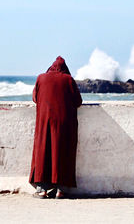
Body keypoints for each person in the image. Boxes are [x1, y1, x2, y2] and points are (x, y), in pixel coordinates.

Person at [29, 56, 82, 199]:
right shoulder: (68, 80)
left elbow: (35, 98)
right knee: (62, 153)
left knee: (43, 152)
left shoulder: (41, 78)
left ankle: (42, 190)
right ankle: (61, 190)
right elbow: (78, 101)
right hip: (64, 124)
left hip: (44, 121)